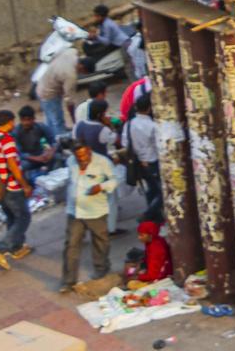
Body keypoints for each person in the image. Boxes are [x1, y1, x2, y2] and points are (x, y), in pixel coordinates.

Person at [59, 142, 115, 293]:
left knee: (100, 241)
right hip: (74, 211)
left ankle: (101, 268)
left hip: (95, 210)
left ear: (89, 150)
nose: (81, 159)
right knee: (71, 244)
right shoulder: (71, 161)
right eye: (78, 157)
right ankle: (68, 281)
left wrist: (101, 187)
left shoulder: (103, 162)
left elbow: (114, 180)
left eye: (84, 155)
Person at [0, 111, 32, 261]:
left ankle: (16, 247)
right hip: (11, 185)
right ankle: (0, 248)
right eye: (13, 122)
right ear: (9, 122)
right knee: (24, 217)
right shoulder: (7, 140)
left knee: (12, 216)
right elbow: (13, 165)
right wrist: (25, 185)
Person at [123, 96, 161, 222]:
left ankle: (155, 216)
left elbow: (125, 142)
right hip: (152, 161)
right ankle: (149, 213)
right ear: (149, 108)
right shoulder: (151, 126)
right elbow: (158, 144)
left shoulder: (129, 124)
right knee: (161, 192)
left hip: (139, 161)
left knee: (151, 188)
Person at [36, 47, 80, 142]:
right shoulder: (71, 75)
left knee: (50, 119)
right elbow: (69, 101)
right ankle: (59, 142)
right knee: (57, 122)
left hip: (42, 85)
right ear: (82, 67)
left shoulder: (71, 52)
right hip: (49, 93)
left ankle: (50, 138)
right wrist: (75, 123)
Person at [14, 106, 57, 186]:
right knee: (22, 166)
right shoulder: (16, 132)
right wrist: (36, 158)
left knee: (57, 157)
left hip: (42, 156)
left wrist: (50, 152)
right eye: (24, 120)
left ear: (33, 119)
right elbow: (19, 153)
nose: (26, 123)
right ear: (20, 120)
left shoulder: (40, 126)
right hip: (29, 159)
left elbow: (53, 140)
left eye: (29, 120)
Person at [123, 220, 170, 290]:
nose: (139, 237)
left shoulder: (156, 249)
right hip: (152, 270)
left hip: (160, 277)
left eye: (142, 235)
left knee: (131, 284)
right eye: (138, 234)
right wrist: (138, 269)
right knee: (130, 269)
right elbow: (147, 259)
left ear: (150, 235)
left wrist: (137, 277)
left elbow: (153, 275)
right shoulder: (151, 241)